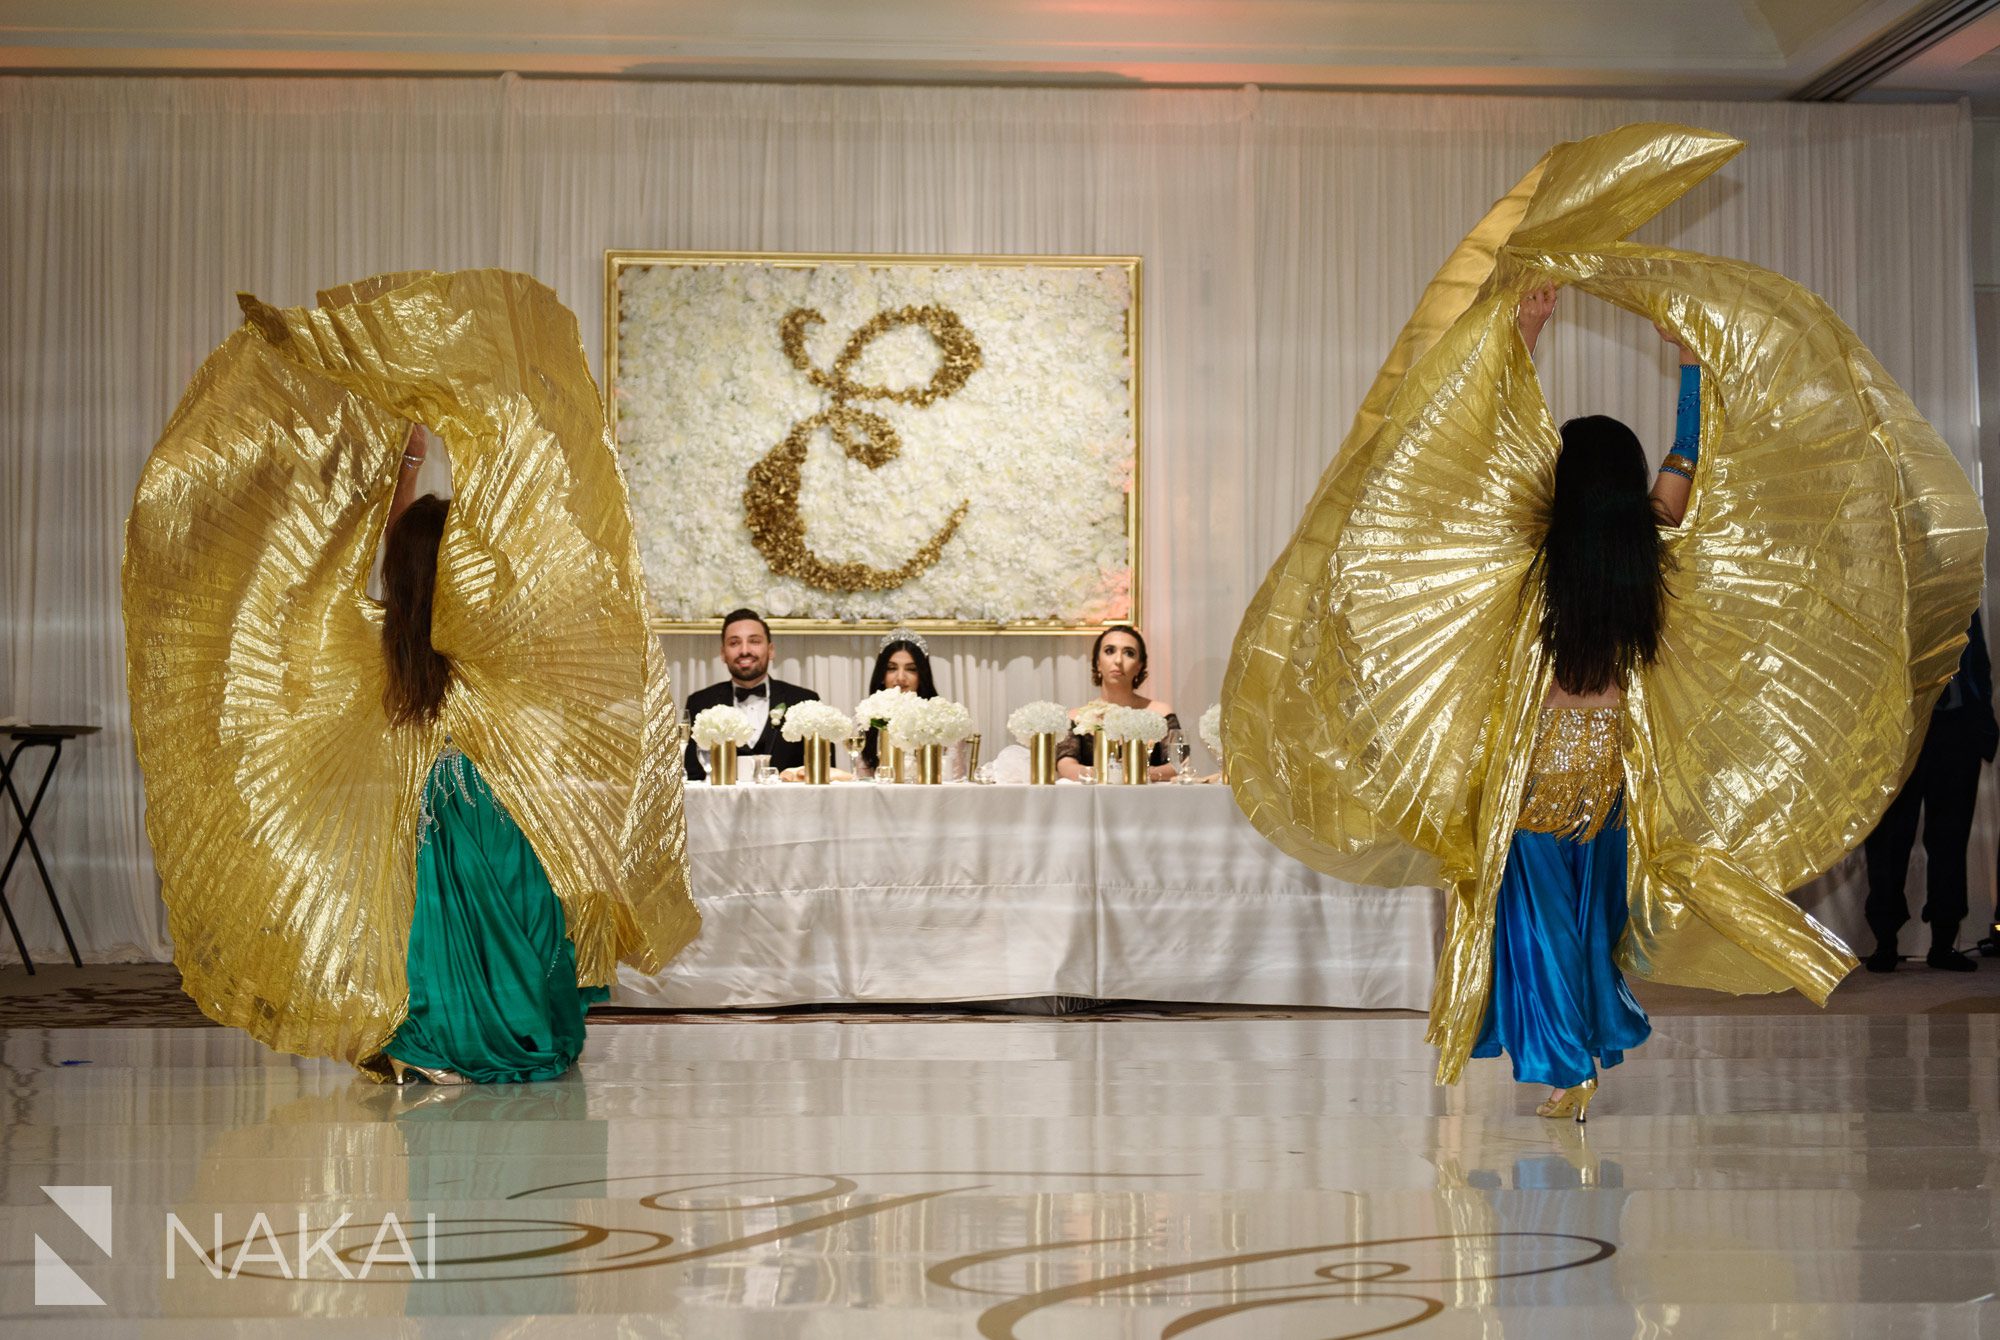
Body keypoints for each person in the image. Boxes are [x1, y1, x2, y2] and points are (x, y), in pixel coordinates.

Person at [1464, 284, 1695, 1122]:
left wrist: (1526, 335)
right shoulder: (1652, 537)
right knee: (1591, 913)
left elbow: (1493, 448)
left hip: (1541, 751)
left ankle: (1569, 1064)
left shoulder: (1536, 542)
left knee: (1539, 917)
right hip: (1613, 755)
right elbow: (1686, 459)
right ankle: (1584, 1048)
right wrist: (1693, 367)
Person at [370, 425, 611, 1084]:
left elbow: (395, 541)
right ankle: (478, 1032)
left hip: (436, 785)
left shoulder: (399, 626)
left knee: (442, 917)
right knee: (521, 904)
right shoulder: (481, 618)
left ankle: (427, 1034)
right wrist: (475, 443)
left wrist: (413, 459)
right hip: (499, 784)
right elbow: (515, 544)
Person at [1863, 611, 1996, 973]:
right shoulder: (1885, 598)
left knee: (1950, 841)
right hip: (1896, 735)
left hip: (1954, 732)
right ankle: (1885, 943)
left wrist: (1980, 719)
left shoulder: (1961, 593)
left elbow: (1977, 661)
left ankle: (1943, 942)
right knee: (1888, 842)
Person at [683, 609, 820, 779]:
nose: (744, 650)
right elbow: (692, 776)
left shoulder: (804, 701)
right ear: (723, 654)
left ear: (771, 650)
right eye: (734, 643)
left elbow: (822, 776)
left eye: (754, 641)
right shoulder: (700, 702)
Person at [1055, 625, 1181, 782]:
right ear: (1098, 663)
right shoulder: (1076, 717)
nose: (1118, 660)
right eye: (1109, 651)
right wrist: (1109, 775)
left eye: (1129, 653)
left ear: (1139, 666)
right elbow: (1065, 766)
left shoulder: (1160, 712)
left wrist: (1135, 774)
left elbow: (1178, 764)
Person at [854, 631, 938, 778]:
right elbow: (863, 780)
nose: (900, 678)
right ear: (881, 675)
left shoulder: (938, 719)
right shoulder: (869, 718)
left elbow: (955, 781)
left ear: (922, 675)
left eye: (911, 669)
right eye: (892, 668)